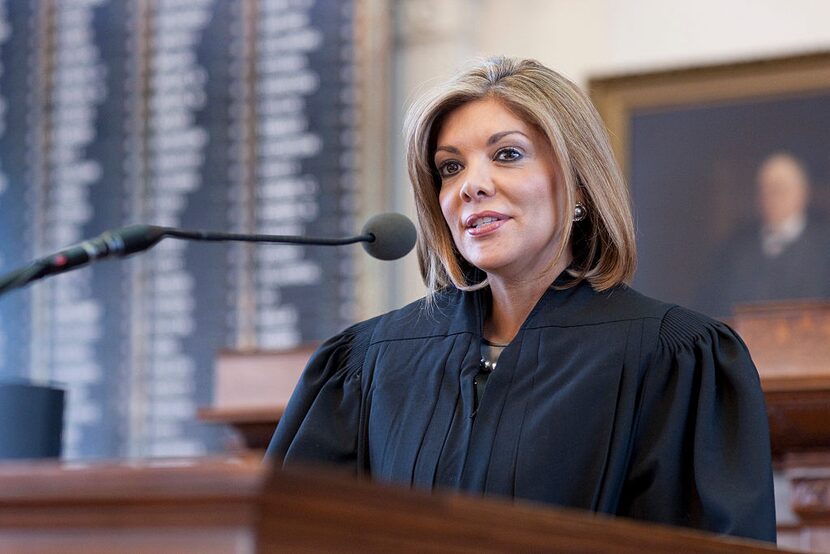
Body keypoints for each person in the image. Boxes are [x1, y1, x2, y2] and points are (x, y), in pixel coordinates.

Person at [266, 57, 776, 542]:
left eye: (506, 155)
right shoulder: (367, 364)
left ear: (579, 184)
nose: (471, 186)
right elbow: (285, 535)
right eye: (449, 167)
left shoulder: (673, 358)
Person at [709, 152, 830, 315]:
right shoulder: (736, 249)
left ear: (802, 192)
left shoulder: (823, 247)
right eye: (764, 190)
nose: (770, 198)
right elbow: (717, 304)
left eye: (779, 189)